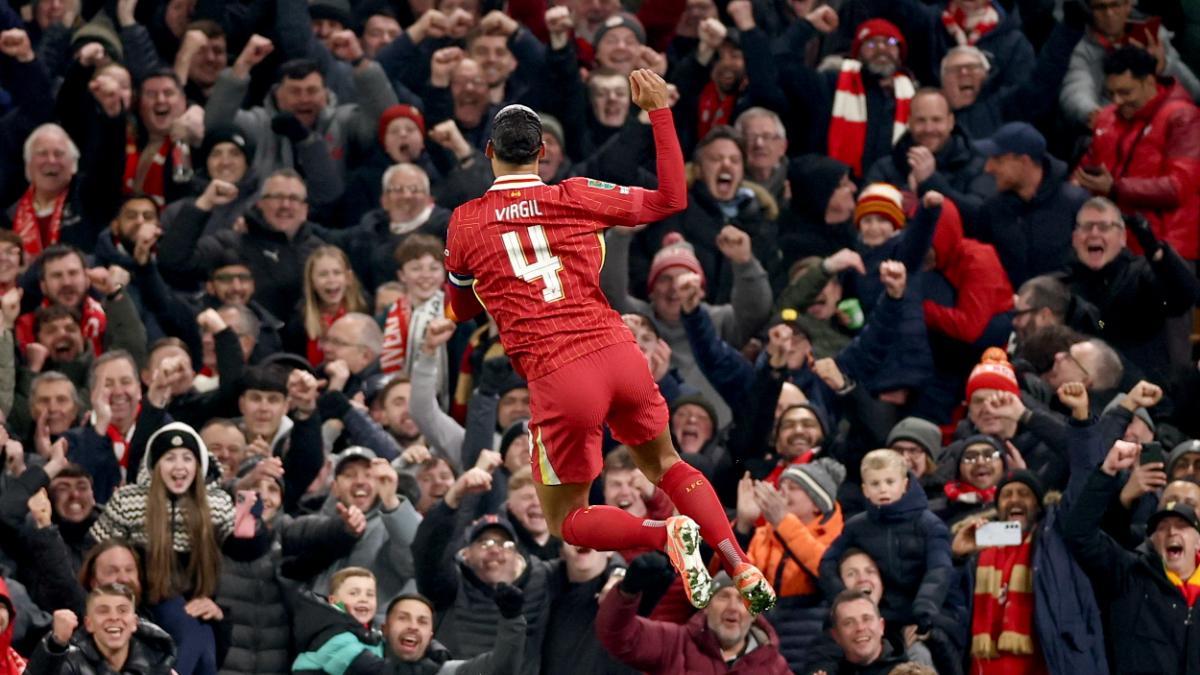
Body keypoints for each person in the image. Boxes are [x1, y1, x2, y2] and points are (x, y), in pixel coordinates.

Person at [440, 69, 775, 612]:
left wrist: (493, 288)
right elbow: (670, 198)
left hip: (559, 372)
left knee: (566, 518)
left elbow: (458, 308)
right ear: (542, 152)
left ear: (488, 152)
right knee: (666, 463)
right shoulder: (575, 194)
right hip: (618, 352)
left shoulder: (466, 222)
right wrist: (659, 110)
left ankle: (661, 535)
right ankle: (737, 562)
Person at [1063, 439, 1200, 674]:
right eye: (1164, 525)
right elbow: (1080, 534)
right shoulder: (1129, 574)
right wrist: (1106, 473)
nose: (1172, 531)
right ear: (1152, 535)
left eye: (1182, 523)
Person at [818, 450, 952, 636]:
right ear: (865, 489)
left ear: (904, 485)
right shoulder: (856, 527)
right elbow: (827, 563)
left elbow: (939, 570)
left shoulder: (929, 525)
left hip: (917, 616)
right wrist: (844, 599)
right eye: (875, 483)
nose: (882, 489)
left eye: (890, 482)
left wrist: (925, 609)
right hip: (872, 617)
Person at [595, 570, 792, 674]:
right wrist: (627, 591)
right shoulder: (674, 642)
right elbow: (619, 636)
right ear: (706, 606)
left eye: (743, 600)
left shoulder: (774, 666)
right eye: (723, 596)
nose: (732, 607)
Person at [25, 584, 175, 675]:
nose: (114, 617)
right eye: (103, 611)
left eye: (122, 610)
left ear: (135, 622)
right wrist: (55, 644)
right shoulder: (70, 662)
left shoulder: (158, 662)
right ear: (89, 624)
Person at [290, 567, 384, 675]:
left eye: (370, 594)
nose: (364, 599)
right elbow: (371, 668)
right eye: (353, 593)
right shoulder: (333, 635)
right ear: (333, 601)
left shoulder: (371, 636)